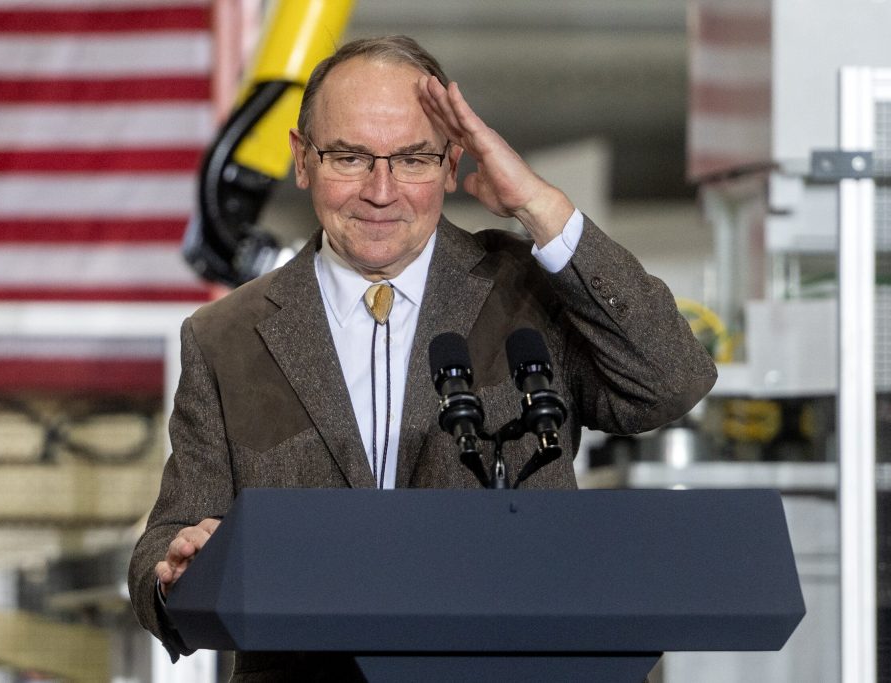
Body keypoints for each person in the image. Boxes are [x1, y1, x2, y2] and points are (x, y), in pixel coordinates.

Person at [128, 35, 717, 679]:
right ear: (302, 161)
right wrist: (174, 571)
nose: (382, 191)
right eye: (350, 157)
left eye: (412, 159)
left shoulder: (530, 292)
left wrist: (538, 205)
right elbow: (170, 538)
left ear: (451, 161)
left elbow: (671, 379)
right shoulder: (225, 337)